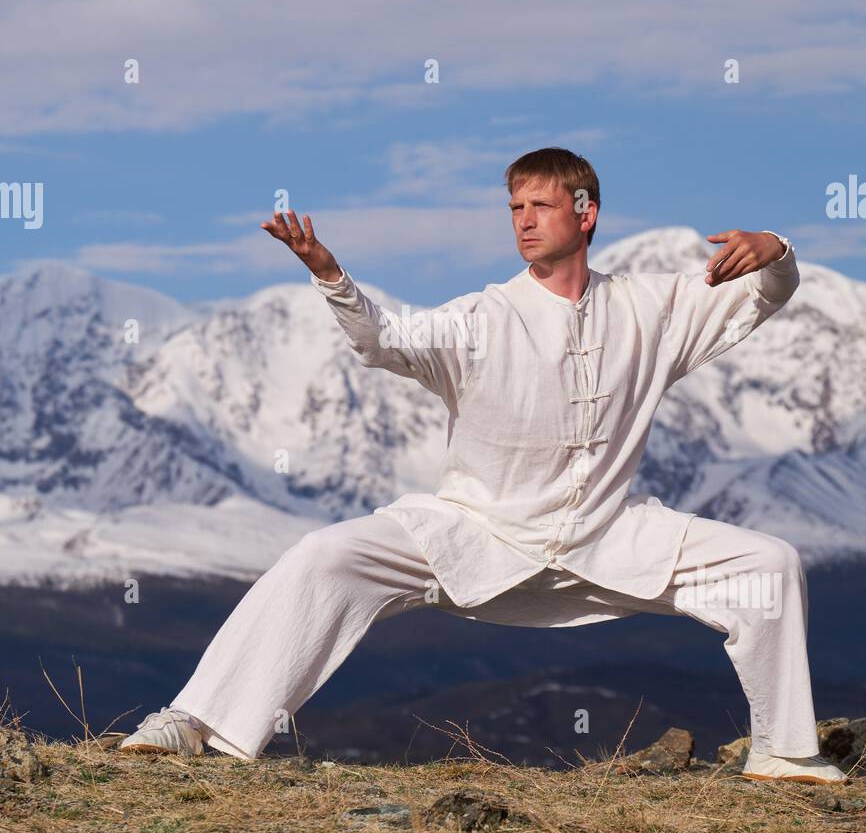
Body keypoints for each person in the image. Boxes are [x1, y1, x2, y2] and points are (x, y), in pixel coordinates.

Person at [120, 148, 848, 785]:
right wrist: (330, 274)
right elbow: (383, 341)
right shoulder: (478, 318)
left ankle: (783, 754)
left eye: (540, 205)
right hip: (475, 533)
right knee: (323, 556)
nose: (523, 220)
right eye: (514, 208)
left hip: (609, 535)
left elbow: (767, 292)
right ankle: (193, 723)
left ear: (586, 212)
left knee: (770, 563)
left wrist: (776, 248)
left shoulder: (653, 306)